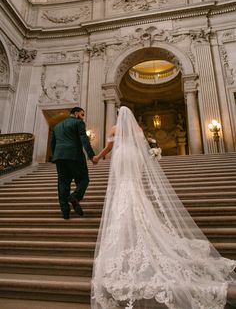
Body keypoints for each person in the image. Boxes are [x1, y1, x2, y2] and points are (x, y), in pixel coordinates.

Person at [91, 106, 236, 309]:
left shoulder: (114, 130)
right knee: (135, 190)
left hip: (122, 157)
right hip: (133, 156)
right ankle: (138, 225)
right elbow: (144, 148)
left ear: (118, 116)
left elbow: (108, 149)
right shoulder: (138, 130)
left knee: (123, 192)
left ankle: (128, 229)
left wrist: (97, 157)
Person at [51, 106, 96, 220]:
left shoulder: (57, 126)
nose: (82, 117)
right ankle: (75, 196)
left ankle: (65, 211)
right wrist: (91, 155)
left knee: (63, 183)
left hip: (59, 157)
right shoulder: (79, 123)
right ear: (76, 113)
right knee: (83, 179)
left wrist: (56, 156)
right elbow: (84, 139)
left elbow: (53, 144)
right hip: (74, 156)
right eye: (82, 114)